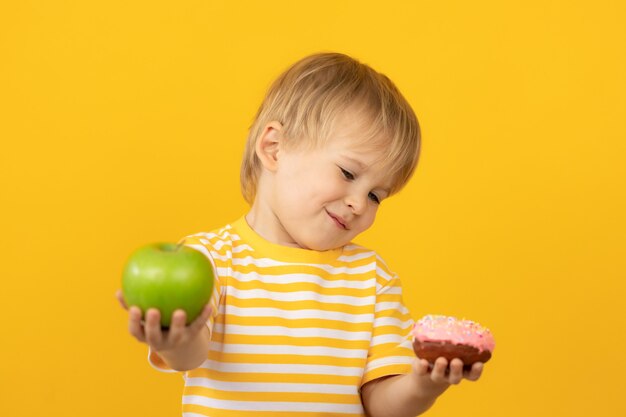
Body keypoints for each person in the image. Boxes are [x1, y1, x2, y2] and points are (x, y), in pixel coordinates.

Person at [117, 52, 485, 417]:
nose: (359, 203)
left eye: (376, 195)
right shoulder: (209, 259)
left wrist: (423, 384)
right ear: (274, 148)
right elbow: (191, 355)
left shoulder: (372, 279)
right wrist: (172, 338)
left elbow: (382, 405)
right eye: (347, 173)